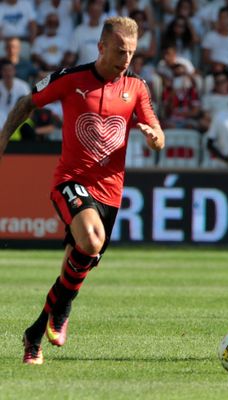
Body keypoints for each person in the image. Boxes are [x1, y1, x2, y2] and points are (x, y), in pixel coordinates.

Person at [0, 16, 165, 365]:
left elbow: (157, 133)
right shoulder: (70, 79)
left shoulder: (136, 87)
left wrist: (154, 138)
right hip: (70, 181)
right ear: (102, 47)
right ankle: (63, 311)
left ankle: (34, 336)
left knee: (75, 267)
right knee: (91, 241)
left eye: (132, 53)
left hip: (111, 194)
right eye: (120, 51)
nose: (126, 59)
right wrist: (2, 142)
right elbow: (26, 104)